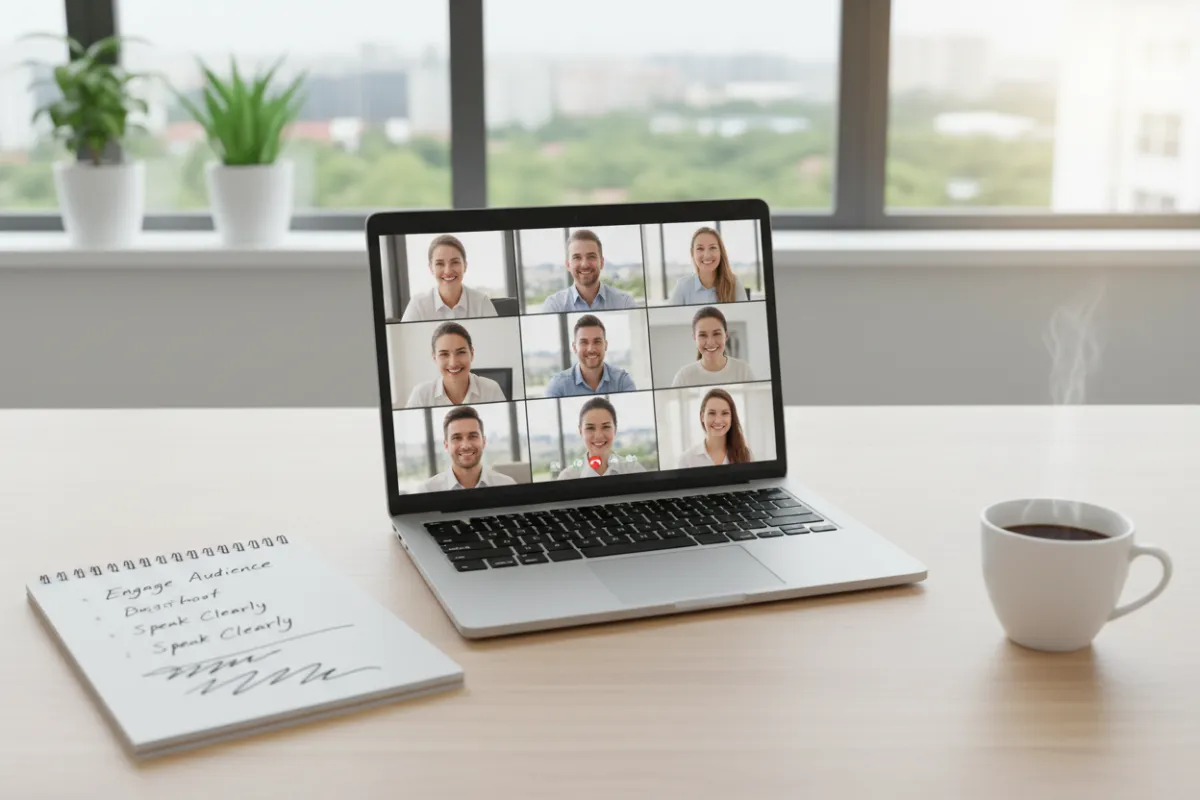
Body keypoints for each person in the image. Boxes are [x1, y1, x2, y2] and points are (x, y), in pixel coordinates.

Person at [406, 321, 507, 407]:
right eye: (444, 354)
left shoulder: (491, 389)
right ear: (435, 358)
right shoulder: (421, 395)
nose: (453, 363)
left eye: (461, 352)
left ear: (472, 354)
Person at [400, 234, 499, 322]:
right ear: (431, 268)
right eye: (440, 264)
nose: (448, 271)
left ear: (465, 266)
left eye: (455, 262)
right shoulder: (418, 305)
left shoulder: (482, 302)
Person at [418, 406, 518, 491]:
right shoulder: (427, 490)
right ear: (446, 445)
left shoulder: (507, 485)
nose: (466, 446)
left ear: (483, 442)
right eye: (457, 438)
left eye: (473, 436)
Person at [540, 229, 638, 313]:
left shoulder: (625, 302)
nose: (585, 264)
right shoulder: (554, 306)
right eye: (577, 257)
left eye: (591, 257)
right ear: (568, 265)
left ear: (602, 262)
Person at [544, 314, 637, 397]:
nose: (591, 349)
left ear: (606, 345)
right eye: (584, 342)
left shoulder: (622, 381)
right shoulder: (558, 385)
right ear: (574, 347)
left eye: (597, 342)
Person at [554, 397, 647, 479]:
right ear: (580, 431)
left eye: (606, 427)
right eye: (590, 428)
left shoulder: (634, 470)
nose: (598, 436)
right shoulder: (568, 477)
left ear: (615, 429)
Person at [670, 306, 756, 387]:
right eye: (703, 335)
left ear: (726, 335)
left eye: (716, 333)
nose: (710, 342)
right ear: (694, 338)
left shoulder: (743, 371)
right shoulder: (683, 377)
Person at [666, 226, 747, 306]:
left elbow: (745, 317)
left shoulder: (734, 284)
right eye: (700, 249)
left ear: (720, 252)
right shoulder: (683, 286)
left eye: (712, 247)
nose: (707, 255)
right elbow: (669, 318)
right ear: (692, 254)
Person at [678, 388, 753, 468]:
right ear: (702, 417)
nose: (718, 420)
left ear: (732, 417)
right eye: (712, 413)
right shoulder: (687, 460)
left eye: (724, 413)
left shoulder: (745, 455)